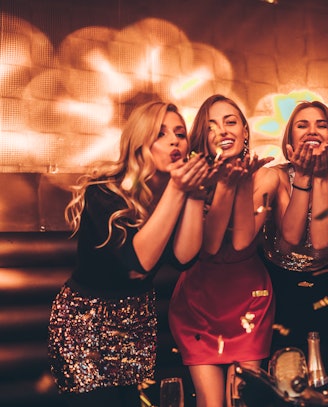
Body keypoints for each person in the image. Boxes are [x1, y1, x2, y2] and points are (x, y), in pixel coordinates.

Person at [48, 101, 216, 407]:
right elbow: (138, 264)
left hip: (137, 323)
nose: (175, 141)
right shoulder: (104, 191)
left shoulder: (172, 193)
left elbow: (184, 259)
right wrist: (179, 191)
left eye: (180, 133)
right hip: (86, 327)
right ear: (139, 143)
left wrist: (195, 194)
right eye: (160, 134)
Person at [168, 94, 278, 407]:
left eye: (230, 122)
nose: (223, 131)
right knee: (211, 402)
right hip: (198, 303)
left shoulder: (265, 177)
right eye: (212, 126)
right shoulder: (193, 180)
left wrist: (241, 181)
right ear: (202, 137)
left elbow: (243, 241)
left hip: (249, 304)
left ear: (244, 129)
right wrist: (227, 184)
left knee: (242, 400)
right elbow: (210, 246)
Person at [262, 100, 328, 367]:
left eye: (321, 125)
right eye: (302, 125)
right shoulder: (275, 177)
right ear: (290, 139)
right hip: (275, 291)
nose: (312, 130)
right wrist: (302, 176)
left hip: (320, 292)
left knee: (320, 378)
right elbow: (289, 241)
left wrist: (322, 176)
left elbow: (321, 242)